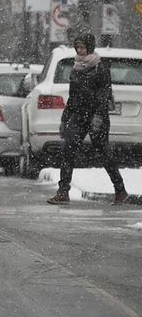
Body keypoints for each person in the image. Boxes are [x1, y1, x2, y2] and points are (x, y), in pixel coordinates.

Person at [47, 32, 129, 206]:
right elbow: (72, 96)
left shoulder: (100, 68)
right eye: (77, 47)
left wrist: (98, 116)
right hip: (78, 115)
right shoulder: (76, 68)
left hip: (96, 116)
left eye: (83, 47)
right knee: (68, 151)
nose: (80, 50)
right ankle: (63, 192)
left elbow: (104, 94)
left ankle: (120, 190)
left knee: (104, 153)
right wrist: (64, 119)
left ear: (90, 47)